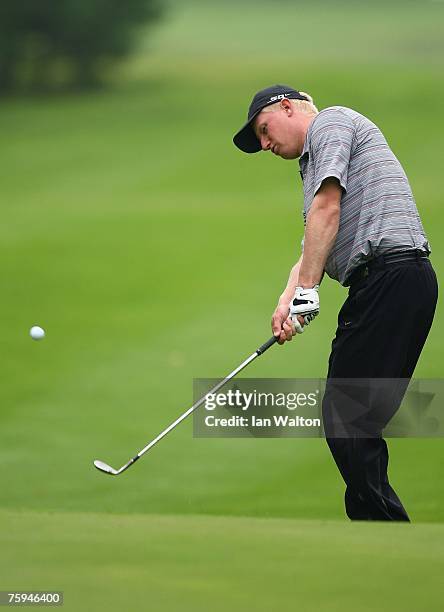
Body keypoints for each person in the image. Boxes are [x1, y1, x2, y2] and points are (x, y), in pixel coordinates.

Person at [233, 85, 438, 521]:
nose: (265, 145)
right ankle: (374, 525)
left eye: (265, 131)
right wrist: (289, 298)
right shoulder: (314, 159)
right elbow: (316, 238)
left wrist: (308, 292)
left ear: (286, 107)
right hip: (387, 285)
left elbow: (327, 209)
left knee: (348, 416)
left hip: (392, 278)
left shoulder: (332, 122)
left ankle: (385, 529)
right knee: (351, 418)